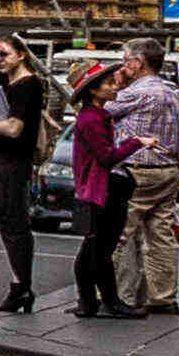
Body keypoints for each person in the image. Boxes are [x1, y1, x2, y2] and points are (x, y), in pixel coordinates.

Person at [0, 40, 51, 313]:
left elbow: (15, 129)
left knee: (14, 224)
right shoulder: (7, 78)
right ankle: (20, 286)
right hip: (1, 159)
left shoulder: (27, 85)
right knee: (7, 222)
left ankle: (21, 287)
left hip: (13, 161)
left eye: (4, 54)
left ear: (22, 55)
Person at [106, 40, 179, 313]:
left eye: (125, 59)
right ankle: (162, 297)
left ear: (138, 62)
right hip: (168, 170)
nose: (122, 65)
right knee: (161, 235)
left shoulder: (135, 93)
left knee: (119, 233)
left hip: (137, 170)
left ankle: (119, 296)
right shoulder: (172, 93)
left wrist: (117, 85)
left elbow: (97, 109)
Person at [63, 59, 135, 316]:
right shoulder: (91, 119)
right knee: (98, 248)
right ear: (93, 90)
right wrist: (137, 142)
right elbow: (107, 157)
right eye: (109, 83)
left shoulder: (97, 116)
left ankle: (97, 301)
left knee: (98, 248)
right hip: (99, 190)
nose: (115, 86)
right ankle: (99, 301)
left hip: (98, 188)